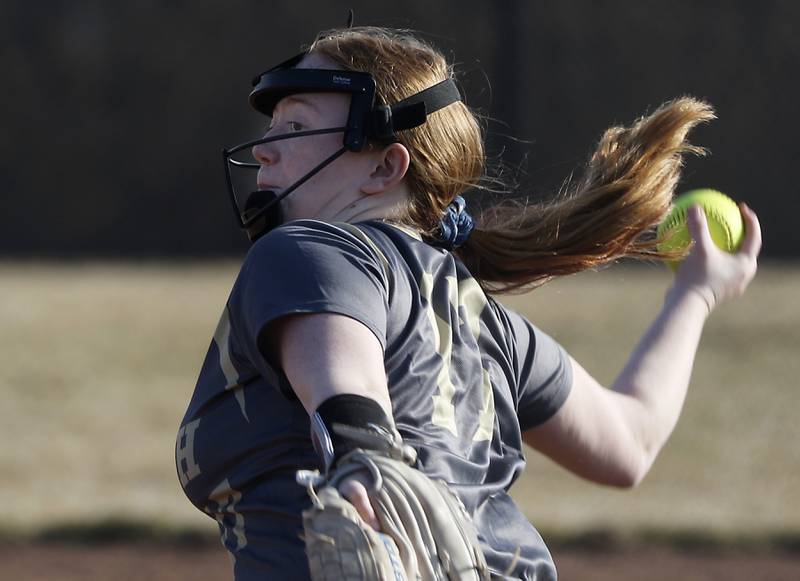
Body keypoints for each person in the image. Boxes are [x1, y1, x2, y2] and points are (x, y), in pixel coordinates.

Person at [175, 26, 761, 580]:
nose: (268, 150)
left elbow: (343, 372)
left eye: (296, 127)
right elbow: (629, 443)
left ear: (385, 166)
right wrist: (696, 295)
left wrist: (364, 452)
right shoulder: (487, 322)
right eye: (274, 124)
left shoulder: (303, 250)